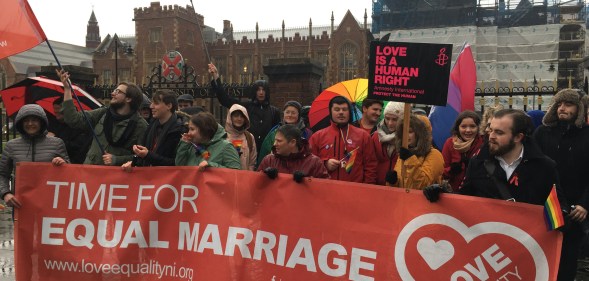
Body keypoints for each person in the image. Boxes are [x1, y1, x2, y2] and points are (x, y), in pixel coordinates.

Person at [424, 109, 567, 210]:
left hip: (525, 247)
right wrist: (443, 195)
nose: (491, 136)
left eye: (499, 132)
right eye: (490, 130)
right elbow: (464, 199)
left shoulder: (544, 167)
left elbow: (557, 209)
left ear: (518, 137)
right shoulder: (478, 162)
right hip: (489, 246)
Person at [532, 89, 589, 281]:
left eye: (568, 104)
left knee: (567, 261)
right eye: (559, 104)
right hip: (546, 204)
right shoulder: (542, 132)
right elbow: (533, 166)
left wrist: (585, 204)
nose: (562, 108)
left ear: (580, 109)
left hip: (575, 209)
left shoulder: (587, 135)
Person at [56, 69, 148, 166]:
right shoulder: (103, 113)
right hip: (90, 173)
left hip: (115, 178)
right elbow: (73, 119)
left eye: (118, 91)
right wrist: (67, 89)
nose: (113, 93)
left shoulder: (141, 126)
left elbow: (142, 157)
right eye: (114, 90)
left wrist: (117, 159)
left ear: (129, 98)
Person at [0, 104, 69, 209]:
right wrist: (5, 193)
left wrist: (63, 164)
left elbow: (71, 172)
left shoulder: (57, 143)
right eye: (26, 121)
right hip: (21, 204)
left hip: (51, 203)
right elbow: (2, 174)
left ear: (41, 122)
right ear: (20, 123)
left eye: (34, 120)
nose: (30, 124)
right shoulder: (11, 145)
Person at [208, 63, 281, 152]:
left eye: (263, 90)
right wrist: (216, 76)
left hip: (267, 152)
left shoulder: (274, 111)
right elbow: (225, 99)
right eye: (258, 90)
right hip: (248, 149)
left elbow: (276, 134)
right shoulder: (246, 107)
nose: (261, 92)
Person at [309, 96, 377, 184]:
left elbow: (371, 166)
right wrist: (324, 163)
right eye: (337, 109)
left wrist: (366, 189)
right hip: (325, 190)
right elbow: (309, 163)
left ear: (349, 112)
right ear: (330, 112)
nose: (341, 112)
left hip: (353, 191)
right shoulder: (317, 137)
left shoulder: (363, 136)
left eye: (344, 109)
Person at [122, 89, 185, 170]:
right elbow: (144, 154)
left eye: (156, 103)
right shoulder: (152, 125)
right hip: (148, 178)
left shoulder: (179, 130)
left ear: (169, 106)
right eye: (152, 103)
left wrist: (147, 155)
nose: (151, 106)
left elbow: (175, 163)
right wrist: (133, 162)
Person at [388, 115, 444, 189]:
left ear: (420, 134)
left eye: (410, 132)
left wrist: (410, 160)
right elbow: (403, 184)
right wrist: (393, 182)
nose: (405, 135)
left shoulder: (434, 154)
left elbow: (424, 184)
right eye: (403, 132)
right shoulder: (404, 153)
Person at [258, 124, 329, 180]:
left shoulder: (314, 163)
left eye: (279, 141)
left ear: (292, 142)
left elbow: (325, 187)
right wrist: (264, 176)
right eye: (275, 140)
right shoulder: (269, 160)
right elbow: (256, 186)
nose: (274, 144)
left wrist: (307, 182)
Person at [175, 112, 240, 170]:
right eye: (189, 129)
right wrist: (183, 145)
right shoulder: (191, 147)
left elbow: (236, 173)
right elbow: (179, 168)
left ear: (204, 130)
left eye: (192, 129)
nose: (189, 133)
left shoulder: (225, 147)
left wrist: (211, 166)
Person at [441, 110, 484, 191]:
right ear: (458, 127)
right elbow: (442, 172)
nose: (468, 130)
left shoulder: (483, 144)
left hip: (477, 193)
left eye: (472, 126)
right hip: (454, 193)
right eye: (463, 126)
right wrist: (452, 170)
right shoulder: (450, 143)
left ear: (478, 127)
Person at [47, 97, 92, 164]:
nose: (56, 114)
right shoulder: (55, 124)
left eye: (58, 111)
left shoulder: (81, 125)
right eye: (55, 111)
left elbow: (78, 146)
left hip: (75, 163)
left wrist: (55, 140)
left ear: (66, 110)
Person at [372, 101, 404, 185]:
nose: (390, 123)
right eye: (387, 118)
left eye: (394, 119)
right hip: (377, 185)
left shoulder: (407, 138)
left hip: (399, 186)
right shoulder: (376, 136)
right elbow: (370, 163)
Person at [225, 104, 257, 171]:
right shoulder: (223, 136)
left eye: (242, 116)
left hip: (245, 178)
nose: (239, 119)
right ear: (230, 118)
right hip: (227, 178)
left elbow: (252, 162)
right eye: (236, 116)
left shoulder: (249, 137)